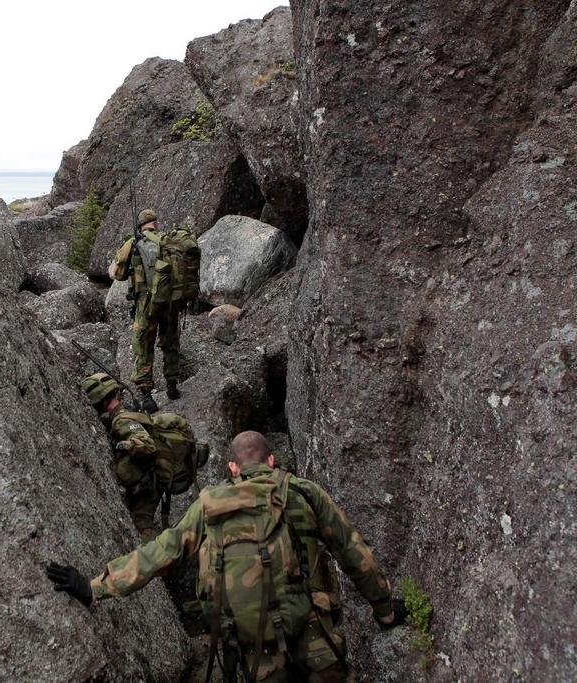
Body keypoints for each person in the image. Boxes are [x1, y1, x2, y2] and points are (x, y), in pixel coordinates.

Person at [46, 430, 409, 682]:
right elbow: (354, 554)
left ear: (233, 467)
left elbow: (163, 551)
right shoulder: (304, 493)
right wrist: (385, 611)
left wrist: (96, 587)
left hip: (253, 643)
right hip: (316, 634)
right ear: (271, 459)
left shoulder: (212, 506)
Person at [108, 208, 182, 411]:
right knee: (170, 341)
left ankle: (147, 395)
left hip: (146, 304)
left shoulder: (133, 243)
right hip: (169, 302)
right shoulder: (169, 241)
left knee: (143, 346)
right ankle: (172, 385)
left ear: (141, 225)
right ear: (155, 223)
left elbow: (117, 274)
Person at [80, 371, 165, 542]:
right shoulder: (122, 415)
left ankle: (156, 561)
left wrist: (126, 445)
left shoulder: (121, 420)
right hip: (147, 479)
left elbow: (148, 446)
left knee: (142, 527)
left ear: (101, 402)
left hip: (147, 485)